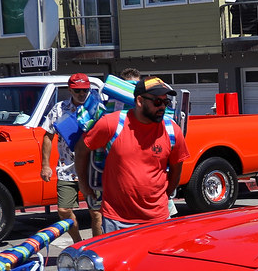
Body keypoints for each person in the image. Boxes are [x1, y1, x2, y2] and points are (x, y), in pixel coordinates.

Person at [75, 76, 190, 233]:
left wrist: (164, 195)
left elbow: (176, 169)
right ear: (140, 101)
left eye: (166, 102)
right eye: (157, 102)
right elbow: (82, 150)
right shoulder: (112, 124)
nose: (163, 107)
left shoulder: (172, 130)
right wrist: (83, 184)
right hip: (117, 220)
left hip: (158, 218)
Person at [40, 73, 102, 241]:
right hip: (67, 168)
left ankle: (97, 246)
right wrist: (45, 165)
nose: (82, 94)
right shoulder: (59, 108)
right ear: (70, 90)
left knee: (96, 213)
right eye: (77, 91)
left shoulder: (97, 108)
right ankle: (78, 242)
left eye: (85, 90)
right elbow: (48, 135)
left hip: (92, 168)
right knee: (63, 210)